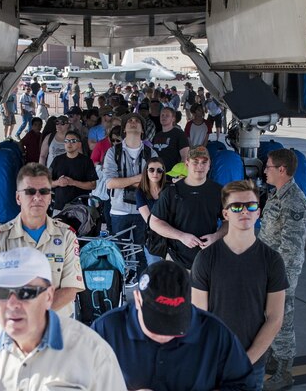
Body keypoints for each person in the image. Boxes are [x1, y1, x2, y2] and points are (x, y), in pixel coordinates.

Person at [0, 247, 126, 390]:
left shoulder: (92, 351)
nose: (13, 303)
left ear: (48, 296)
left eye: (26, 292)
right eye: (1, 292)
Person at [92, 260, 257, 391]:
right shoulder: (105, 330)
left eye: (174, 323)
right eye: (156, 323)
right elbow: (76, 381)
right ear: (137, 299)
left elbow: (244, 385)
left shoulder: (214, 333)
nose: (165, 335)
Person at [192, 180, 289, 389]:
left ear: (258, 212)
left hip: (251, 366)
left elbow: (275, 318)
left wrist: (244, 360)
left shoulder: (272, 261)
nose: (244, 211)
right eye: (236, 206)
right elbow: (199, 317)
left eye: (251, 206)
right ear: (225, 214)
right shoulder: (206, 259)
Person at [0, 163, 85, 317]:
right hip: (15, 325)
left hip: (57, 327)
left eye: (44, 191)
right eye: (30, 191)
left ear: (50, 197)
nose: (37, 197)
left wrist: (35, 317)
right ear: (18, 197)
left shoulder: (67, 236)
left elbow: (70, 289)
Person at [259, 148, 306, 391]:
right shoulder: (277, 194)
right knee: (269, 315)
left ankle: (284, 370)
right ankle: (273, 359)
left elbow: (291, 246)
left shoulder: (293, 201)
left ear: (281, 170)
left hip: (283, 272)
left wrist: (278, 277)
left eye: (268, 167)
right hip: (269, 267)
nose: (264, 171)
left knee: (283, 318)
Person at [149, 146, 227, 270]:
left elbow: (228, 222)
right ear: (187, 163)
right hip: (176, 261)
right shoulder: (171, 191)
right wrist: (181, 236)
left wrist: (216, 237)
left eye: (204, 162)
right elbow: (154, 222)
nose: (199, 166)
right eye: (195, 162)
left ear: (209, 164)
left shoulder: (219, 191)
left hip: (207, 262)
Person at [104, 113, 158, 281]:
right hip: (119, 210)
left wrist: (125, 181)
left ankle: (143, 288)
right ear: (124, 129)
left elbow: (156, 183)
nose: (133, 122)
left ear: (142, 130)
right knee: (119, 252)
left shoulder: (151, 152)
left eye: (137, 121)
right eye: (129, 121)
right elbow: (110, 183)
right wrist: (139, 179)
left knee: (143, 251)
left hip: (145, 211)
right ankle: (120, 287)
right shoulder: (113, 152)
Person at [50, 130, 97, 213]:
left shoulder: (86, 161)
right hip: (59, 207)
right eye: (66, 141)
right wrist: (58, 182)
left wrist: (73, 182)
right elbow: (46, 182)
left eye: (73, 141)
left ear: (79, 144)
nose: (69, 144)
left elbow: (92, 185)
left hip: (80, 208)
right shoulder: (57, 160)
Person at [136, 157, 167, 265]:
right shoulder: (140, 192)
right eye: (151, 170)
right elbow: (149, 220)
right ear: (146, 171)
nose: (155, 173)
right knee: (155, 271)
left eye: (159, 170)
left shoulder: (169, 189)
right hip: (153, 239)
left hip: (172, 238)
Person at [152, 107, 189, 171]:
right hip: (157, 174)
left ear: (173, 119)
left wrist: (180, 175)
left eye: (167, 115)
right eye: (162, 115)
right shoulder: (157, 135)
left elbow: (185, 158)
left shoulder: (179, 134)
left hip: (173, 175)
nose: (164, 117)